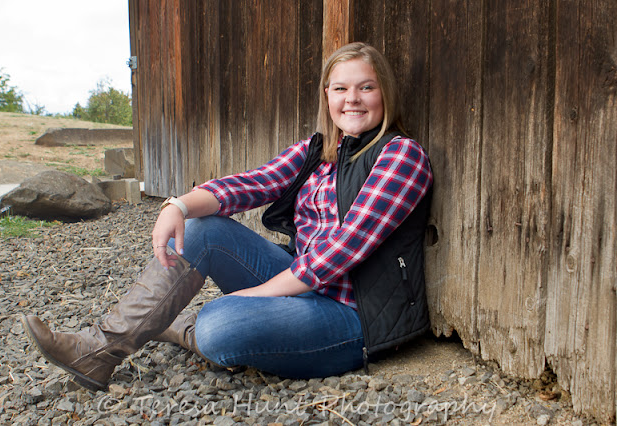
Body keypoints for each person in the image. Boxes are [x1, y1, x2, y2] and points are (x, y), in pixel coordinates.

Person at [22, 42, 433, 391]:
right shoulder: (320, 150)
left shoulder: (401, 156)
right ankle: (98, 349)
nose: (352, 99)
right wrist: (178, 206)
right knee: (202, 229)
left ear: (385, 94)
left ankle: (177, 323)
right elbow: (253, 183)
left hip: (353, 315)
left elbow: (341, 251)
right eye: (341, 88)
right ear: (327, 95)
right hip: (301, 284)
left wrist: (255, 295)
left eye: (366, 87)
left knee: (218, 326)